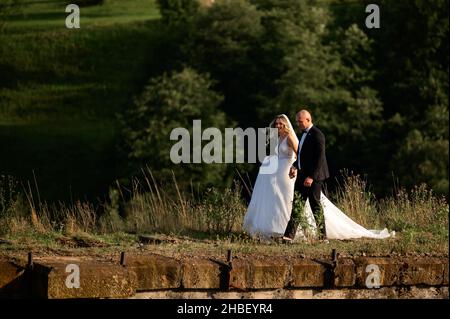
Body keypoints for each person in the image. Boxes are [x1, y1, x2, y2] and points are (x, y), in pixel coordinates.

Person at [243, 114, 299, 240]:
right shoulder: (279, 137)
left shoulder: (289, 137)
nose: (278, 126)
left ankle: (288, 229)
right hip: (277, 173)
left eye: (280, 124)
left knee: (286, 198)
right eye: (276, 124)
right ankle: (276, 228)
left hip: (287, 172)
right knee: (276, 199)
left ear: (285, 125)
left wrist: (295, 167)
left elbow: (298, 153)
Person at [283, 109, 329, 241]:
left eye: (300, 121)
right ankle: (288, 237)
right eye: (297, 121)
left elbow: (320, 158)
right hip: (302, 175)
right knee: (297, 205)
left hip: (313, 177)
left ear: (308, 120)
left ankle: (323, 237)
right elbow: (303, 156)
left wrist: (312, 177)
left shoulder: (317, 134)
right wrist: (295, 166)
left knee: (315, 206)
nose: (298, 123)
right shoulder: (304, 134)